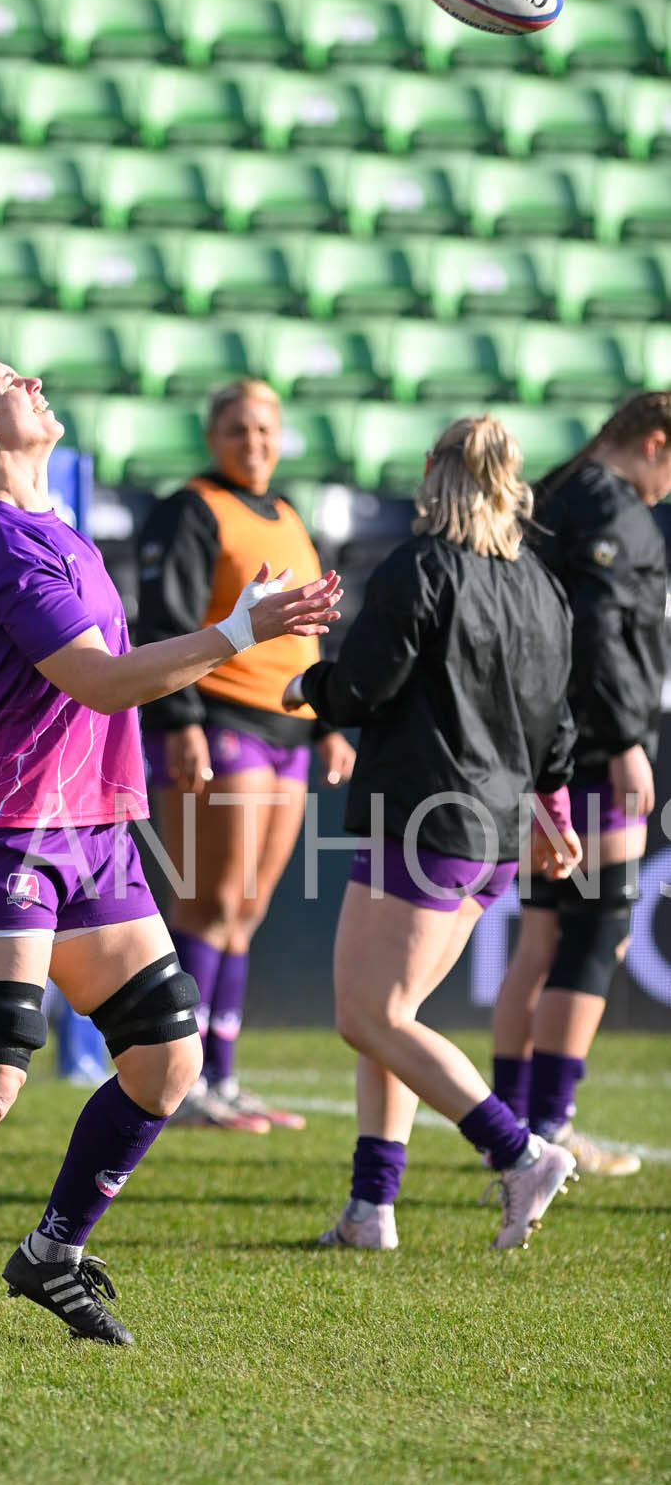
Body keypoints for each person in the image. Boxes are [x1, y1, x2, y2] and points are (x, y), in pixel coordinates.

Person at [0, 347, 341, 1355]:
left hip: (92, 833)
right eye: (14, 382)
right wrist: (234, 630)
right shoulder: (8, 545)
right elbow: (103, 682)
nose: (37, 385)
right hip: (5, 835)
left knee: (167, 1060)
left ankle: (53, 1251)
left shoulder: (58, 530)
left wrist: (228, 633)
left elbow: (115, 678)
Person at [281, 415, 581, 1254]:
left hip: (426, 815)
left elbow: (366, 686)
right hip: (494, 830)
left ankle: (517, 1153)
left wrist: (311, 685)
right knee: (396, 1016)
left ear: (429, 472)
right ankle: (369, 1210)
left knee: (368, 1015)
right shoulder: (539, 582)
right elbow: (558, 718)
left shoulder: (422, 565)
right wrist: (552, 806)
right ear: (509, 481)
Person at [135, 379, 355, 1134]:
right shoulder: (191, 509)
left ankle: (221, 1078)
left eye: (263, 429)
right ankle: (181, 1078)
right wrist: (180, 719)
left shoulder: (287, 515)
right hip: (217, 719)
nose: (252, 442)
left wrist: (328, 716)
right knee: (208, 900)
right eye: (236, 429)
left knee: (249, 909)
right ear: (211, 437)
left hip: (287, 726)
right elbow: (165, 621)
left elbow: (307, 629)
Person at [490, 391, 671, 1177]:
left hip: (544, 743)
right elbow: (597, 635)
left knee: (542, 937)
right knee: (595, 929)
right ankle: (547, 1125)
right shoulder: (608, 502)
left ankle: (509, 1130)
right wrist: (626, 739)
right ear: (655, 443)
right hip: (589, 748)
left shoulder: (563, 488)